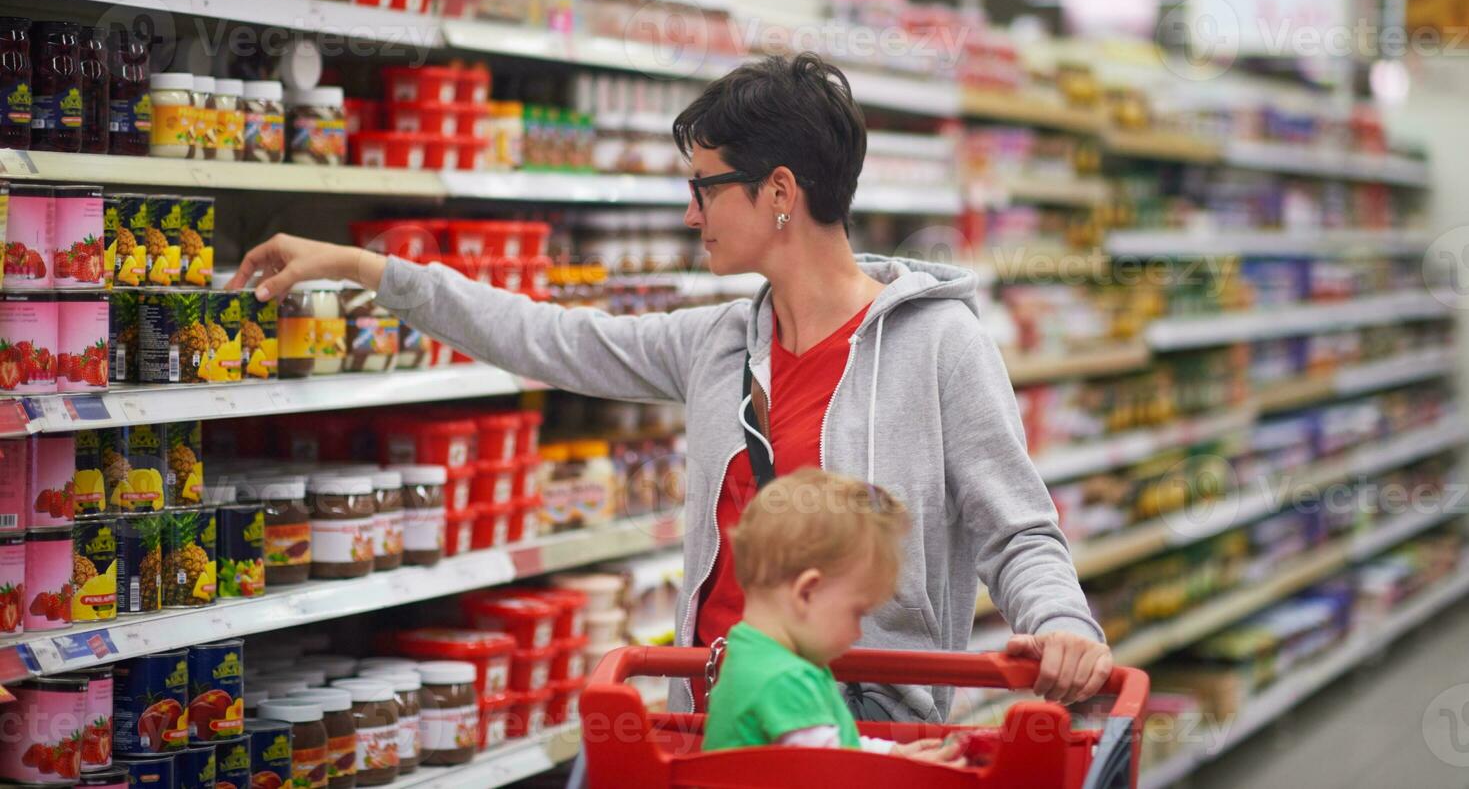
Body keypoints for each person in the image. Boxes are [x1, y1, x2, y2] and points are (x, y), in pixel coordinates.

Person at [226, 52, 1111, 721]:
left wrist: (1065, 625)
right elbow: (547, 335)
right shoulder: (718, 342)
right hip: (720, 713)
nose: (689, 213)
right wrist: (364, 267)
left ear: (778, 192)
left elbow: (1016, 526)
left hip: (866, 729)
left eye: (703, 187)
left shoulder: (937, 344)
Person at [702, 468, 961, 765]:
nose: (858, 634)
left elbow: (830, 747)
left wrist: (892, 754)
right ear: (807, 593)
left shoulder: (753, 654)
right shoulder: (786, 679)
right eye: (857, 613)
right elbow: (832, 771)